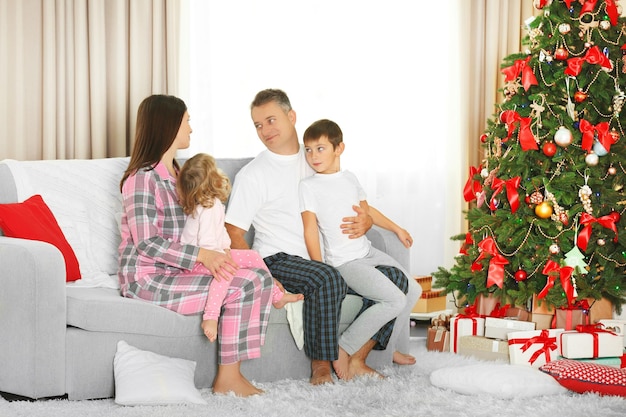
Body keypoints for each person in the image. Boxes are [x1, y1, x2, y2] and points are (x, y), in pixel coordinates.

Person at [224, 88, 420, 385]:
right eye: (258, 124)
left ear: (292, 117)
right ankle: (321, 365)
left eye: (271, 119)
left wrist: (366, 221)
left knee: (397, 280)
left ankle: (359, 357)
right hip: (277, 258)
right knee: (327, 277)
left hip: (331, 258)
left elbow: (349, 200)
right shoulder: (254, 174)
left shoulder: (316, 157)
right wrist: (262, 275)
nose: (265, 130)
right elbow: (234, 233)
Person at [118, 94, 273, 397]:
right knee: (244, 284)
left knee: (258, 277)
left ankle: (230, 376)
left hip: (179, 271)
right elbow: (147, 242)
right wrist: (204, 255)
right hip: (148, 278)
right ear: (169, 125)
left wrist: (217, 252)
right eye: (187, 121)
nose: (191, 127)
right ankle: (228, 379)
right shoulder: (141, 180)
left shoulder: (180, 175)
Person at [299, 119, 421, 380]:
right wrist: (319, 266)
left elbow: (367, 211)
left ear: (339, 148)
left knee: (415, 289)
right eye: (308, 150)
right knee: (394, 299)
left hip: (367, 253)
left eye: (320, 149)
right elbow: (310, 228)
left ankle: (384, 352)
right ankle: (344, 347)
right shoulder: (309, 186)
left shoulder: (349, 178)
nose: (313, 156)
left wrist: (397, 228)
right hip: (345, 263)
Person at [176, 152, 304, 342]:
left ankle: (277, 296)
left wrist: (227, 250)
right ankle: (211, 316)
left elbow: (221, 235)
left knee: (252, 257)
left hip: (213, 253)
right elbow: (207, 244)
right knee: (225, 273)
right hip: (198, 261)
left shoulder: (215, 204)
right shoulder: (207, 207)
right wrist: (225, 256)